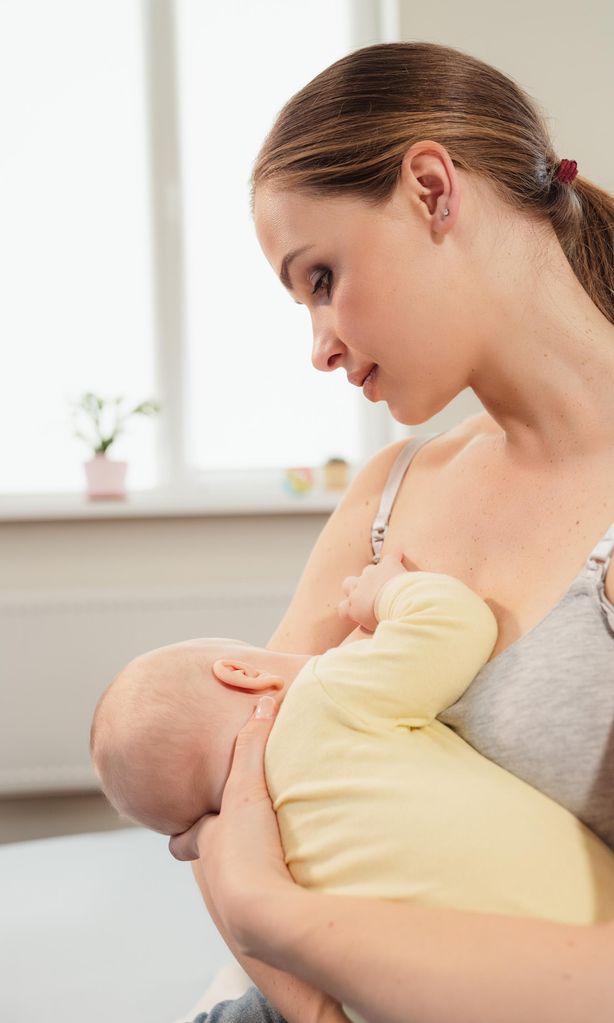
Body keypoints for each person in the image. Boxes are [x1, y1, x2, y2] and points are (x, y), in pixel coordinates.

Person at [170, 40, 614, 1023]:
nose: (318, 347)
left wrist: (269, 913)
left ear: (429, 189)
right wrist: (302, 988)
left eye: (320, 276)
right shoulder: (389, 493)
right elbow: (225, 782)